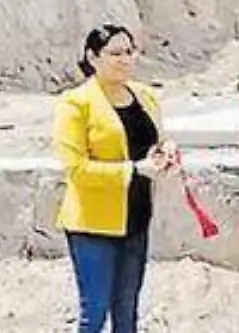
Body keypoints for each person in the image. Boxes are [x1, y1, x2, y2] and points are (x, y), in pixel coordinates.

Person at [53, 24, 180, 333]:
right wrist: (133, 170)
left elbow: (156, 141)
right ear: (92, 57)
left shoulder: (146, 96)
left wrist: (167, 151)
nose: (125, 60)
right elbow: (76, 168)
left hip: (135, 217)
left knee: (127, 312)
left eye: (129, 52)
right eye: (115, 53)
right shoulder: (76, 103)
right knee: (94, 312)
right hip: (92, 223)